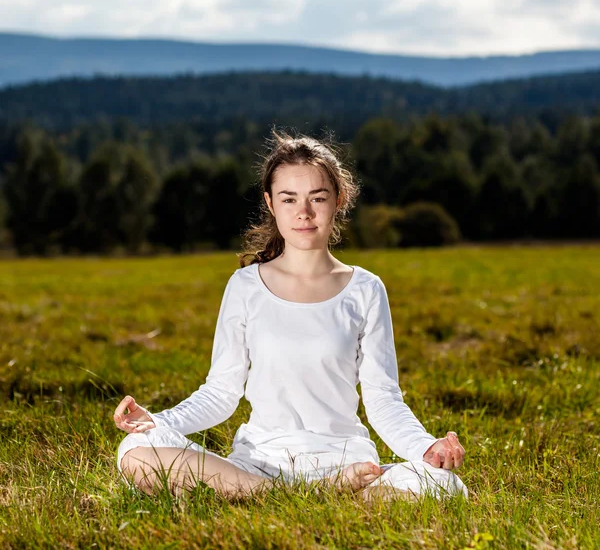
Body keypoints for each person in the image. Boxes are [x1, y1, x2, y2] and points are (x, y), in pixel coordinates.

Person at [114, 129, 467, 502]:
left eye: (317, 197)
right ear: (270, 203)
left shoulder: (365, 289)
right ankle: (312, 496)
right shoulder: (245, 287)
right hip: (258, 463)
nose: (304, 212)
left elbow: (383, 400)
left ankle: (275, 497)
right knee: (135, 452)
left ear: (338, 200)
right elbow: (221, 391)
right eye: (289, 199)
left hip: (346, 462)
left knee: (445, 486)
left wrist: (424, 447)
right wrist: (160, 422)